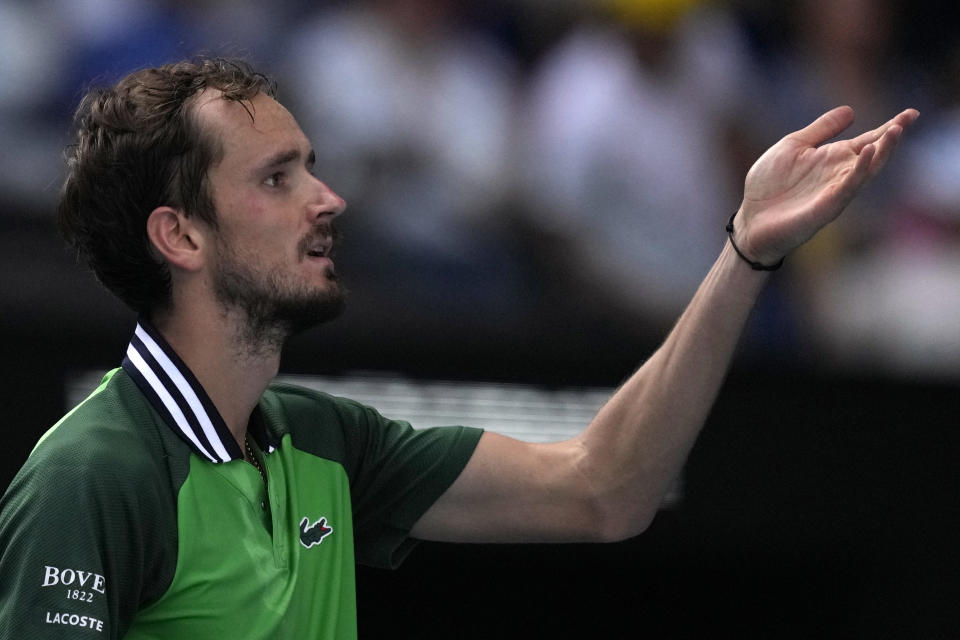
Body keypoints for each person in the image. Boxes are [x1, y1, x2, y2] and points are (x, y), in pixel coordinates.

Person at [0, 57, 917, 639]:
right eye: (278, 179)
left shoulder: (324, 442)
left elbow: (605, 488)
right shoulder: (94, 473)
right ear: (182, 237)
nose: (329, 200)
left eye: (311, 166)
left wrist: (745, 249)